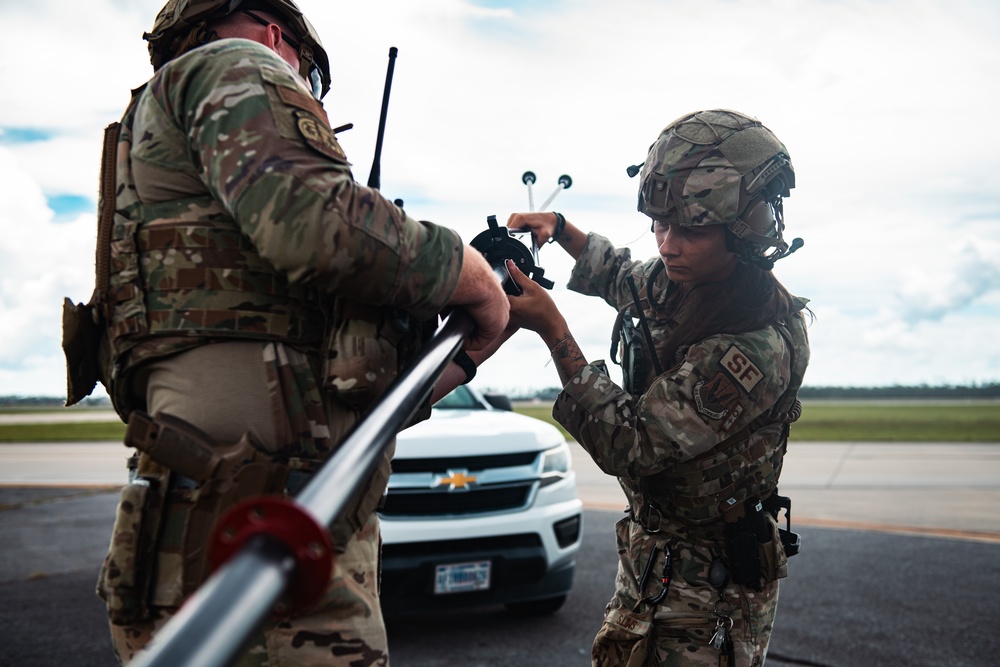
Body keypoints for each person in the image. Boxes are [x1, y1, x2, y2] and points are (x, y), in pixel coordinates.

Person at [61, 1, 508, 665]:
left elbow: (348, 406)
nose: (308, 105)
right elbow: (320, 227)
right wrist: (475, 280)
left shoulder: (179, 176)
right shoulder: (234, 60)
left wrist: (465, 356)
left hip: (242, 537)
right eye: (311, 86)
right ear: (277, 39)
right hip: (257, 554)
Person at [503, 109, 811, 666]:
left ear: (745, 230)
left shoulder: (756, 347)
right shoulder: (688, 280)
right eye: (658, 225)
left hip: (708, 594)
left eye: (689, 230)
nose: (667, 245)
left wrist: (555, 332)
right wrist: (562, 228)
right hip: (656, 567)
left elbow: (633, 443)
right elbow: (624, 276)